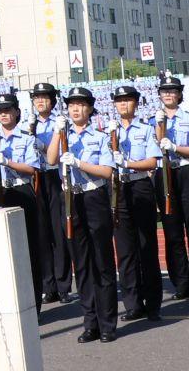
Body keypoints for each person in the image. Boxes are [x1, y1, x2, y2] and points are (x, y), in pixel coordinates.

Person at [48, 84, 117, 343]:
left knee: (102, 262)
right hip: (71, 198)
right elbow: (51, 159)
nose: (75, 109)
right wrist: (57, 133)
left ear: (89, 109)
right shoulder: (64, 136)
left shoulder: (99, 137)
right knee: (82, 264)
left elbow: (107, 171)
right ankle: (90, 323)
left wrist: (79, 163)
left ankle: (107, 323)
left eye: (81, 104)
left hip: (94, 196)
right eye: (71, 105)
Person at [0, 92, 44, 305]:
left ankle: (34, 303)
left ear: (17, 112)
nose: (3, 114)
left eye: (7, 110)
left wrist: (8, 162)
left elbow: (32, 169)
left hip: (22, 191)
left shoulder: (26, 138)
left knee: (29, 248)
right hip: (1, 192)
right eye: (0, 111)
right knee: (4, 249)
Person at [107, 83, 162, 322]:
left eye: (128, 100)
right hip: (118, 188)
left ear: (136, 104)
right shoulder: (109, 132)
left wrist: (128, 163)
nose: (123, 104)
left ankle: (153, 303)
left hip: (140, 184)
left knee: (146, 245)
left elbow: (152, 162)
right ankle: (133, 303)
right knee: (125, 249)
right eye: (119, 101)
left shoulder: (146, 129)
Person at [153, 74, 189, 299]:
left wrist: (175, 147)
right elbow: (154, 148)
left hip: (186, 170)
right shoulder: (152, 120)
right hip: (164, 172)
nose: (168, 94)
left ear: (179, 94)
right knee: (172, 230)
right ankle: (181, 283)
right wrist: (159, 125)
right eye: (164, 91)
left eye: (172, 91)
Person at [26, 82, 67, 303]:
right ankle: (48, 285)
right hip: (36, 177)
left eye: (44, 97)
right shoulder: (28, 124)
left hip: (55, 176)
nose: (40, 101)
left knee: (58, 232)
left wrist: (42, 145)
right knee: (41, 233)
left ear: (52, 101)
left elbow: (61, 153)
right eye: (36, 98)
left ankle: (63, 285)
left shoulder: (59, 123)